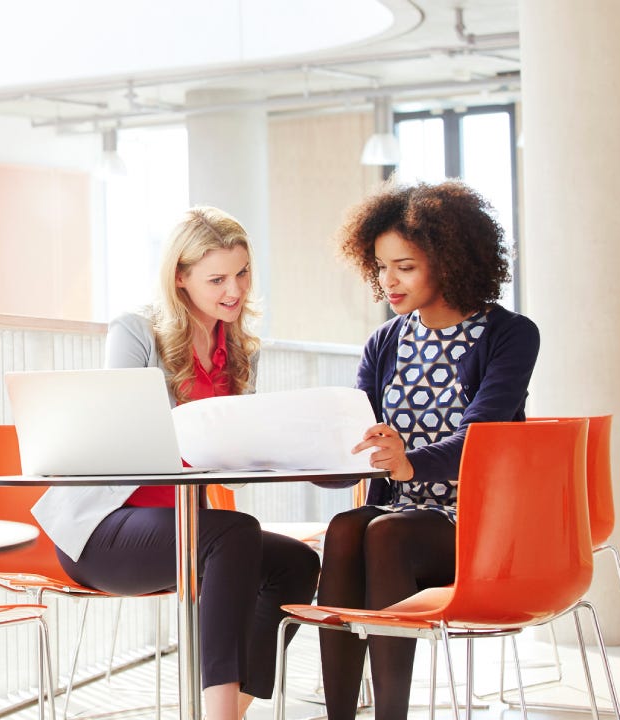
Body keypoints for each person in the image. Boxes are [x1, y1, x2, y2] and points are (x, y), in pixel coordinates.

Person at [31, 207, 321, 720]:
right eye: (217, 279)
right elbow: (116, 429)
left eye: (243, 273)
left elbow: (237, 449)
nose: (234, 290)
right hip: (102, 530)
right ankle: (219, 715)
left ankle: (235, 705)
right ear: (181, 278)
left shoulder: (241, 351)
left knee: (297, 563)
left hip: (186, 527)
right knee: (233, 534)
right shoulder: (136, 331)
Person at [318, 180, 540, 720]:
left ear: (449, 261)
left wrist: (408, 460)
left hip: (480, 523)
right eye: (380, 266)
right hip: (403, 515)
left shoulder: (508, 335)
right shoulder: (386, 342)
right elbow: (360, 439)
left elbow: (482, 437)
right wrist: (318, 454)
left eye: (405, 266)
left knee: (386, 532)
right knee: (347, 527)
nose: (387, 280)